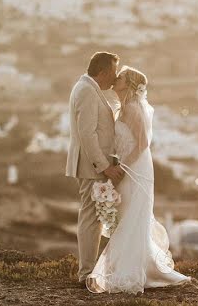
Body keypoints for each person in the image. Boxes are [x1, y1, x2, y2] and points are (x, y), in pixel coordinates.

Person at [85, 66, 191, 294]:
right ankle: (129, 267)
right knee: (124, 216)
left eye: (120, 77)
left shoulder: (133, 108)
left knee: (133, 217)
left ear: (129, 84)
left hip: (135, 168)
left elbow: (142, 144)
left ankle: (131, 271)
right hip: (124, 167)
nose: (116, 78)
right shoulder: (121, 107)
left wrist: (122, 166)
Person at [66, 51, 124, 285]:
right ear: (102, 72)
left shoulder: (88, 88)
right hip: (92, 168)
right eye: (113, 72)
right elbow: (87, 135)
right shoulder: (87, 91)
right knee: (92, 218)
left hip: (94, 166)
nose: (115, 77)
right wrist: (104, 166)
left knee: (99, 217)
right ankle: (87, 274)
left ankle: (93, 271)